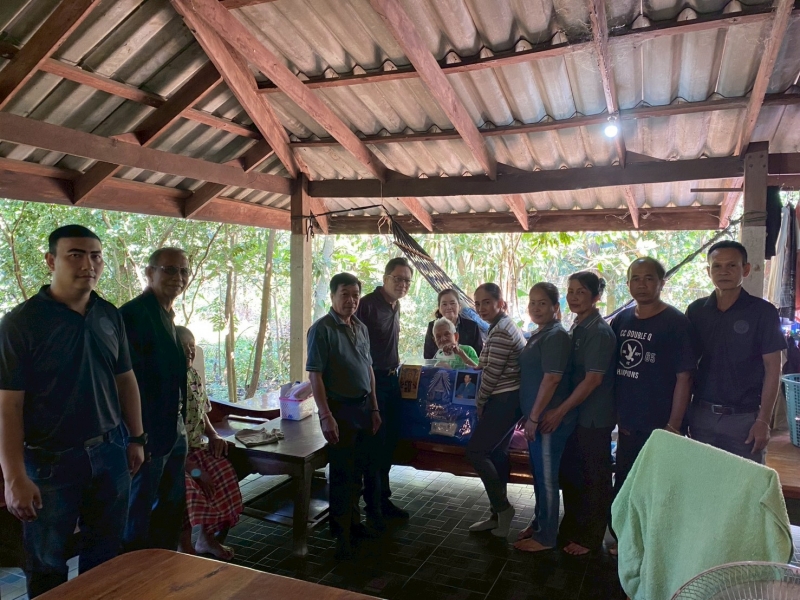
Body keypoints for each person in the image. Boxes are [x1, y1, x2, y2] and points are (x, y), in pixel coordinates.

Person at [0, 225, 145, 597]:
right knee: (47, 560)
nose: (88, 265)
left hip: (111, 450)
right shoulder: (21, 323)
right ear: (51, 261)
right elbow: (8, 406)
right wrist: (14, 476)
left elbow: (125, 379)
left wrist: (136, 437)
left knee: (107, 552)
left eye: (95, 256)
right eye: (75, 255)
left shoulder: (108, 314)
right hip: (50, 461)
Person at [686, 241, 785, 463]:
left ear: (745, 269)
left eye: (732, 265)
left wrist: (763, 421)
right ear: (708, 271)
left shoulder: (763, 312)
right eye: (717, 266)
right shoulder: (696, 311)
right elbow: (687, 367)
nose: (724, 272)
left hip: (745, 419)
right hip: (701, 416)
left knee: (745, 482)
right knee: (701, 478)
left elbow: (773, 368)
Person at [307, 273, 382, 560]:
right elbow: (315, 375)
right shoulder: (321, 329)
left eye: (355, 295)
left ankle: (354, 523)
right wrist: (325, 415)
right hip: (340, 409)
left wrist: (374, 407)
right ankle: (341, 536)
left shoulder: (360, 327)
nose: (351, 300)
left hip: (363, 408)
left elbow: (368, 369)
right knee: (341, 474)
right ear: (332, 296)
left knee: (359, 470)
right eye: (345, 294)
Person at [542, 272, 616, 556]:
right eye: (570, 291)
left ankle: (591, 537)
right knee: (573, 475)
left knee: (594, 477)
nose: (573, 297)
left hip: (594, 416)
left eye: (581, 292)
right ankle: (572, 528)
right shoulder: (577, 326)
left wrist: (559, 411)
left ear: (596, 297)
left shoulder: (599, 332)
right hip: (576, 416)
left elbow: (592, 380)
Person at [120, 247, 189, 551]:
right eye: (169, 269)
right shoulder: (134, 315)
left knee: (171, 505)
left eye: (184, 271)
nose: (178, 277)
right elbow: (127, 382)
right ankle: (134, 571)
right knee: (139, 510)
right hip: (147, 432)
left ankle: (165, 566)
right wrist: (137, 436)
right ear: (149, 273)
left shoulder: (167, 315)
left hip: (173, 427)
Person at [611, 258, 695, 495]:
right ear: (628, 284)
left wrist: (674, 425)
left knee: (656, 491)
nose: (641, 284)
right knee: (626, 488)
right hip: (628, 425)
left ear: (662, 283)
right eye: (635, 279)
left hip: (661, 426)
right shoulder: (621, 320)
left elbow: (685, 377)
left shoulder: (676, 323)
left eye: (649, 278)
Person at [513, 283, 574, 553]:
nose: (536, 308)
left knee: (547, 479)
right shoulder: (541, 333)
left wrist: (535, 417)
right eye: (532, 302)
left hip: (548, 421)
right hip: (535, 418)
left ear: (555, 307)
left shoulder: (556, 336)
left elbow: (551, 379)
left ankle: (546, 537)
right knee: (539, 475)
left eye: (542, 303)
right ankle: (539, 523)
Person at [354, 257, 413, 521]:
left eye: (407, 281)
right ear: (385, 278)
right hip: (371, 382)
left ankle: (382, 499)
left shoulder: (395, 305)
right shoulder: (366, 305)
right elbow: (356, 349)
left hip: (391, 380)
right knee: (373, 445)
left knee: (389, 442)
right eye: (398, 279)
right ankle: (372, 507)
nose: (403, 284)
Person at [176, 326, 242, 560]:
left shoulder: (193, 375)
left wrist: (214, 436)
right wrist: (196, 472)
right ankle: (185, 548)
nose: (189, 351)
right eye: (183, 346)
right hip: (176, 457)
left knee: (223, 471)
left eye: (192, 346)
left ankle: (207, 539)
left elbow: (202, 412)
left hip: (196, 449)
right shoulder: (168, 381)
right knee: (188, 490)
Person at [465, 283, 526, 538]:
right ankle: (496, 516)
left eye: (487, 302)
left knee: (476, 451)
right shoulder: (500, 326)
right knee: (497, 454)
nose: (481, 308)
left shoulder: (501, 331)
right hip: (509, 400)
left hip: (504, 400)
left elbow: (491, 374)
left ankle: (503, 508)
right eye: (478, 303)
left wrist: (480, 402)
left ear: (500, 303)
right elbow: (486, 364)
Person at [423, 289, 485, 359]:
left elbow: (480, 355)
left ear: (459, 306)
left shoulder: (472, 326)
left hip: (467, 366)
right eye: (444, 304)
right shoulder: (432, 326)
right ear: (439, 308)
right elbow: (428, 356)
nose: (449, 307)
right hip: (440, 365)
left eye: (452, 303)